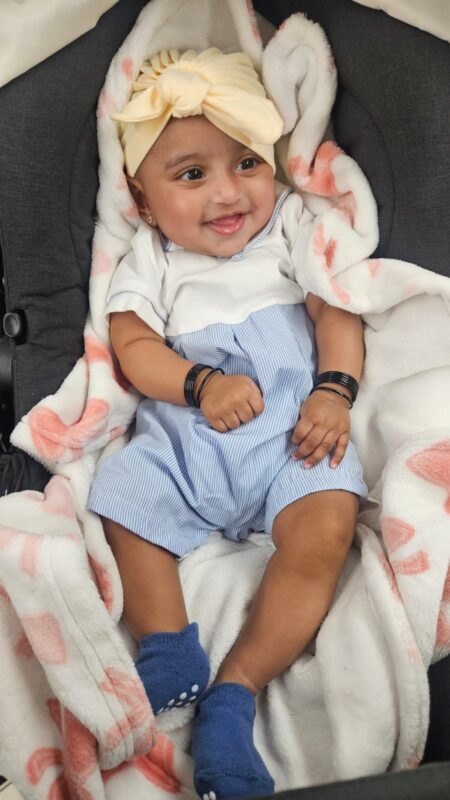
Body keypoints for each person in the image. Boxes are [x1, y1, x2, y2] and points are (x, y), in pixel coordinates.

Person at [88, 47, 367, 799]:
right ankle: (168, 646)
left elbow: (335, 311)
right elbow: (133, 345)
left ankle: (236, 690)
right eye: (191, 175)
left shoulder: (290, 227)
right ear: (144, 201)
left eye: (248, 163)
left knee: (327, 527)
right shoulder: (149, 257)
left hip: (293, 436)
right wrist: (198, 382)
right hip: (191, 438)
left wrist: (335, 391)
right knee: (123, 493)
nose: (227, 192)